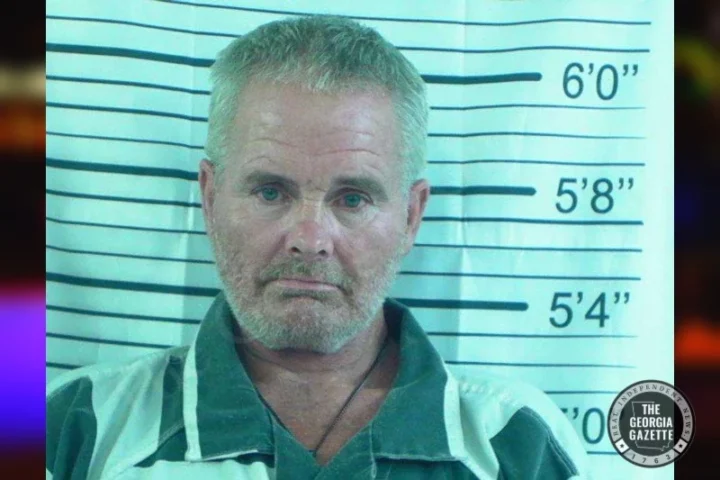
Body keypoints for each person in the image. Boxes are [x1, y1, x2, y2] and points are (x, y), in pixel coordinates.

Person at [46, 15, 590, 479]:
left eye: (352, 199)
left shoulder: (518, 442)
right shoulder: (74, 427)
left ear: (411, 216)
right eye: (270, 191)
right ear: (210, 198)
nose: (309, 240)